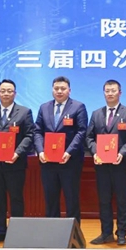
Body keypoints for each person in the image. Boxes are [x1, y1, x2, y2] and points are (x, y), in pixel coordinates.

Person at [0, 79, 35, 245]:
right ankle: (0, 231)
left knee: (16, 198)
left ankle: (17, 232)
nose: (6, 94)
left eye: (9, 91)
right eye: (3, 91)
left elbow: (29, 135)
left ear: (15, 93)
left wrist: (17, 153)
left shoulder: (24, 112)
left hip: (15, 164)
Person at [85, 79, 126, 245]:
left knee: (122, 200)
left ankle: (122, 232)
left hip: (120, 164)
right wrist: (95, 152)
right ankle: (106, 233)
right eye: (107, 91)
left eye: (113, 90)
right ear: (104, 93)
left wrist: (122, 153)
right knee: (104, 200)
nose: (110, 93)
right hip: (101, 165)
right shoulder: (96, 114)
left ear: (119, 93)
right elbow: (89, 137)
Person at [33, 76, 88, 221]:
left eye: (63, 88)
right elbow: (37, 131)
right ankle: (52, 231)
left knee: (71, 199)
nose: (59, 91)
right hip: (48, 161)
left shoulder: (78, 107)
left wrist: (69, 152)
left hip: (70, 161)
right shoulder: (44, 107)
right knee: (50, 199)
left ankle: (74, 231)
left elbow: (82, 132)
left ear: (69, 90)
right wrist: (40, 151)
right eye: (56, 88)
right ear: (52, 90)